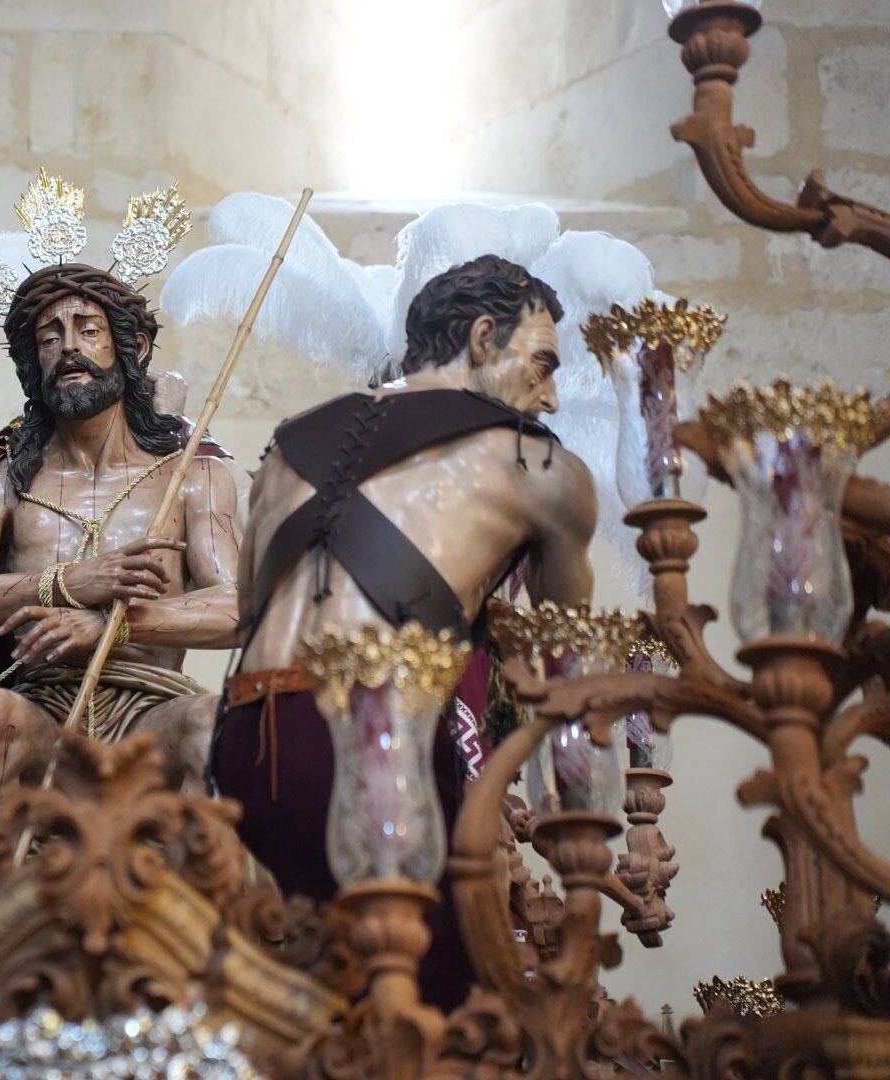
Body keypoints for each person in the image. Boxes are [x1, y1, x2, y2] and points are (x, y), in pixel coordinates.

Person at [210, 254, 597, 1009]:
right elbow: (563, 657)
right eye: (543, 363)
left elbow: (248, 611)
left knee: (311, 996)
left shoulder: (288, 443)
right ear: (484, 337)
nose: (549, 397)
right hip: (376, 738)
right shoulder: (539, 463)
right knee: (445, 1003)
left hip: (250, 741)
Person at [0, 172, 251, 883]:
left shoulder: (195, 474)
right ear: (30, 363)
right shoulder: (5, 478)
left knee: (211, 721)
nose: (67, 346)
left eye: (87, 329)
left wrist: (119, 628)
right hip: (37, 704)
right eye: (48, 336)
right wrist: (70, 582)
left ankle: (212, 958)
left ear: (126, 348)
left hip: (150, 711)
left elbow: (236, 606)